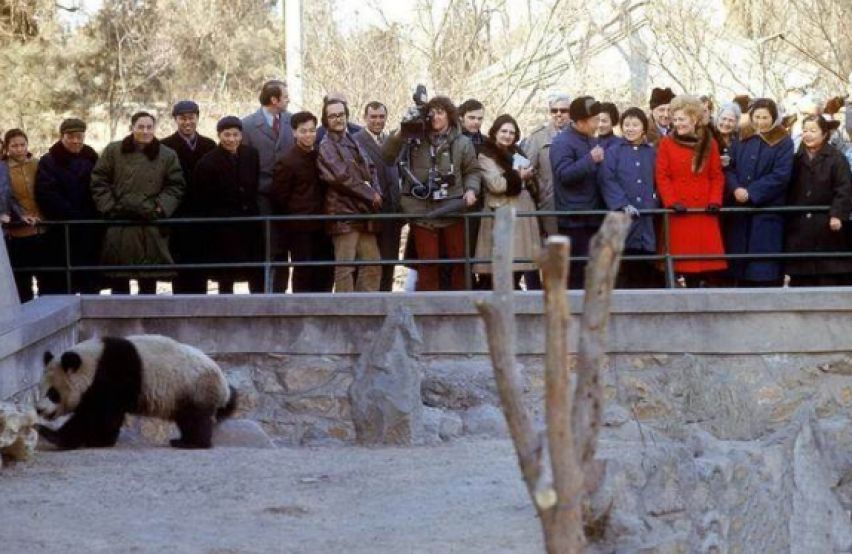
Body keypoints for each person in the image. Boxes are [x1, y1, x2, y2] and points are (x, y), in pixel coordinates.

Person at [382, 96, 480, 291]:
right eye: (431, 113)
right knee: (427, 263)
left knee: (459, 262)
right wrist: (403, 129)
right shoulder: (414, 139)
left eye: (440, 112)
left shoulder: (462, 142)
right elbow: (388, 155)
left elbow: (472, 171)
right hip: (422, 211)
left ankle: (461, 303)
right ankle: (426, 305)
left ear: (450, 115)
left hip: (453, 209)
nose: (435, 117)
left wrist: (471, 190)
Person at [90, 111, 185, 294]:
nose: (145, 131)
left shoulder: (167, 154)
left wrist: (160, 207)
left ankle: (147, 312)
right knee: (119, 278)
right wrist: (110, 207)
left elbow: (176, 185)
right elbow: (98, 180)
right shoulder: (113, 151)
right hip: (120, 221)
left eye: (149, 127)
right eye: (140, 127)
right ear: (132, 127)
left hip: (150, 222)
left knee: (148, 279)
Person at [655, 95, 727, 286]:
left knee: (704, 264)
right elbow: (662, 176)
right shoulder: (666, 143)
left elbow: (716, 175)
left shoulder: (709, 143)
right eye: (675, 119)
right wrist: (671, 202)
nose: (677, 123)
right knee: (680, 263)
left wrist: (714, 200)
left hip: (703, 209)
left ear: (694, 119)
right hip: (679, 210)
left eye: (682, 119)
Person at [723, 98, 794, 287]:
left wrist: (752, 192)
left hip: (767, 210)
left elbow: (781, 175)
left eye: (765, 118)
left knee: (763, 266)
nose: (760, 122)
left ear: (773, 118)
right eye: (757, 117)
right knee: (737, 264)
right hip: (739, 210)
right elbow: (729, 166)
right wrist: (736, 188)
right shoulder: (742, 136)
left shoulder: (783, 141)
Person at [190, 116, 263, 294]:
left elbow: (253, 184)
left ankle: (258, 305)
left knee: (256, 271)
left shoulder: (251, 154)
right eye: (227, 135)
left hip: (249, 223)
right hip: (223, 226)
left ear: (241, 135)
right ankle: (225, 306)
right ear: (219, 135)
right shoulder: (207, 162)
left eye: (235, 135)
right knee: (226, 275)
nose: (231, 139)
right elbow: (203, 198)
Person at [317, 99, 383, 292]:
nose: (338, 119)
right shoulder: (326, 145)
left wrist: (377, 191)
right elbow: (341, 177)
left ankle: (365, 305)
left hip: (364, 212)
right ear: (326, 119)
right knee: (345, 268)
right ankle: (344, 307)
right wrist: (370, 194)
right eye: (333, 115)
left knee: (373, 265)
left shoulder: (352, 139)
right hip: (343, 213)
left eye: (341, 114)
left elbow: (371, 167)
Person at [35, 118, 102, 295]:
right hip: (61, 229)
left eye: (79, 137)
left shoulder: (91, 157)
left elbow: (100, 185)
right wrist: (71, 214)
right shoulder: (49, 161)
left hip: (89, 228)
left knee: (89, 281)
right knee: (62, 281)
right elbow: (46, 193)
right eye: (71, 137)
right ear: (62, 136)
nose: (76, 141)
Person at [473, 114, 540, 288]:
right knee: (499, 266)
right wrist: (519, 176)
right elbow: (496, 184)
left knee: (518, 264)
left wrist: (528, 177)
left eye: (511, 132)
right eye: (504, 131)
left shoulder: (517, 152)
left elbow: (529, 174)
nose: (507, 135)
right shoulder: (486, 154)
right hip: (500, 212)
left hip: (522, 214)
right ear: (495, 132)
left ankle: (514, 293)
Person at [271, 111, 334, 293]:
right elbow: (279, 197)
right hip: (300, 228)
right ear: (294, 132)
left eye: (312, 130)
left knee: (325, 271)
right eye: (303, 131)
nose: (308, 135)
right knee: (304, 272)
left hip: (323, 224)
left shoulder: (320, 155)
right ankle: (301, 307)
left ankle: (323, 306)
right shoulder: (287, 161)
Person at [785, 115, 852, 286]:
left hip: (827, 224)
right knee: (801, 278)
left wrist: (837, 214)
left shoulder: (836, 158)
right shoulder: (795, 159)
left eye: (813, 131)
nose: (808, 134)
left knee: (828, 276)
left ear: (824, 134)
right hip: (800, 227)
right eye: (805, 130)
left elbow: (844, 188)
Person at [599, 108, 661, 288]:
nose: (630, 129)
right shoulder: (614, 151)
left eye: (635, 125)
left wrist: (655, 202)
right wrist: (621, 203)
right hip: (623, 219)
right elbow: (607, 179)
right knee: (623, 267)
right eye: (626, 124)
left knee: (646, 267)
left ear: (643, 128)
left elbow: (659, 180)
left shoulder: (651, 152)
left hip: (647, 219)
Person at [241, 80, 294, 291]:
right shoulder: (247, 125)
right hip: (261, 197)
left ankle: (279, 294)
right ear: (274, 100)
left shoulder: (291, 121)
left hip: (288, 197)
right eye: (285, 97)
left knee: (283, 250)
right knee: (264, 248)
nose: (289, 100)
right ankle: (260, 296)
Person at [550, 95, 605, 289]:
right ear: (581, 121)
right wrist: (590, 160)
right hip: (573, 219)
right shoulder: (562, 142)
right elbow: (563, 174)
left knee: (592, 268)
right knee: (576, 271)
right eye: (594, 120)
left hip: (593, 215)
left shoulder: (592, 139)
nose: (598, 124)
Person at [161, 100, 217, 294]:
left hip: (203, 213)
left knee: (201, 265)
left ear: (197, 118)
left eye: (191, 118)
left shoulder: (209, 145)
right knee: (180, 265)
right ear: (175, 120)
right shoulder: (165, 145)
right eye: (182, 118)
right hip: (178, 213)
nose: (187, 122)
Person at [3, 129, 61, 301]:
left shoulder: (37, 164)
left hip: (43, 230)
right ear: (7, 148)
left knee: (48, 280)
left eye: (22, 145)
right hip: (18, 233)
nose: (19, 149)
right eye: (14, 146)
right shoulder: (3, 169)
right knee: (22, 283)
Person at [353, 101, 402, 292]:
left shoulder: (392, 140)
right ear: (365, 117)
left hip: (392, 213)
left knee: (389, 263)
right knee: (368, 266)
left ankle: (386, 301)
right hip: (370, 213)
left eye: (381, 116)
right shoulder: (355, 140)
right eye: (373, 117)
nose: (377, 121)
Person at [521, 92, 571, 245]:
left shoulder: (578, 134)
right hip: (549, 202)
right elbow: (525, 166)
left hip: (574, 200)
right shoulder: (537, 137)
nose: (558, 114)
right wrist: (540, 190)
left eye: (563, 110)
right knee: (554, 245)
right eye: (554, 110)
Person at [714, 102, 742, 168]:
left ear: (736, 123)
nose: (726, 123)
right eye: (723, 119)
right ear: (717, 118)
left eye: (731, 120)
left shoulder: (739, 141)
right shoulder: (709, 137)